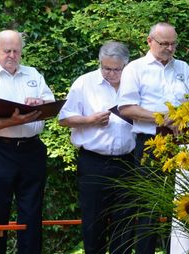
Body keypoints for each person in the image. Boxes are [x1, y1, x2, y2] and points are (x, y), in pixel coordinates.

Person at [0, 30, 56, 254]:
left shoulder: (33, 74)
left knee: (32, 213)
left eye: (16, 51)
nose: (12, 55)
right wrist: (10, 121)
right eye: (7, 51)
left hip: (31, 149)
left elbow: (51, 104)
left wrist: (39, 103)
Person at [118, 22, 189, 254]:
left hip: (181, 143)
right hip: (150, 145)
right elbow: (126, 108)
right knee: (148, 210)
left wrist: (182, 117)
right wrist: (161, 118)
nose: (170, 48)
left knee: (181, 207)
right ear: (149, 41)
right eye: (164, 44)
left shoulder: (183, 68)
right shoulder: (135, 68)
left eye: (173, 44)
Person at [59, 41, 135, 254]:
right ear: (100, 63)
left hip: (127, 162)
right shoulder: (84, 83)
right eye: (106, 68)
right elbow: (63, 119)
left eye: (116, 69)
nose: (110, 74)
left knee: (126, 223)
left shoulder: (135, 83)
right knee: (93, 223)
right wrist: (89, 120)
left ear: (125, 66)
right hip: (94, 161)